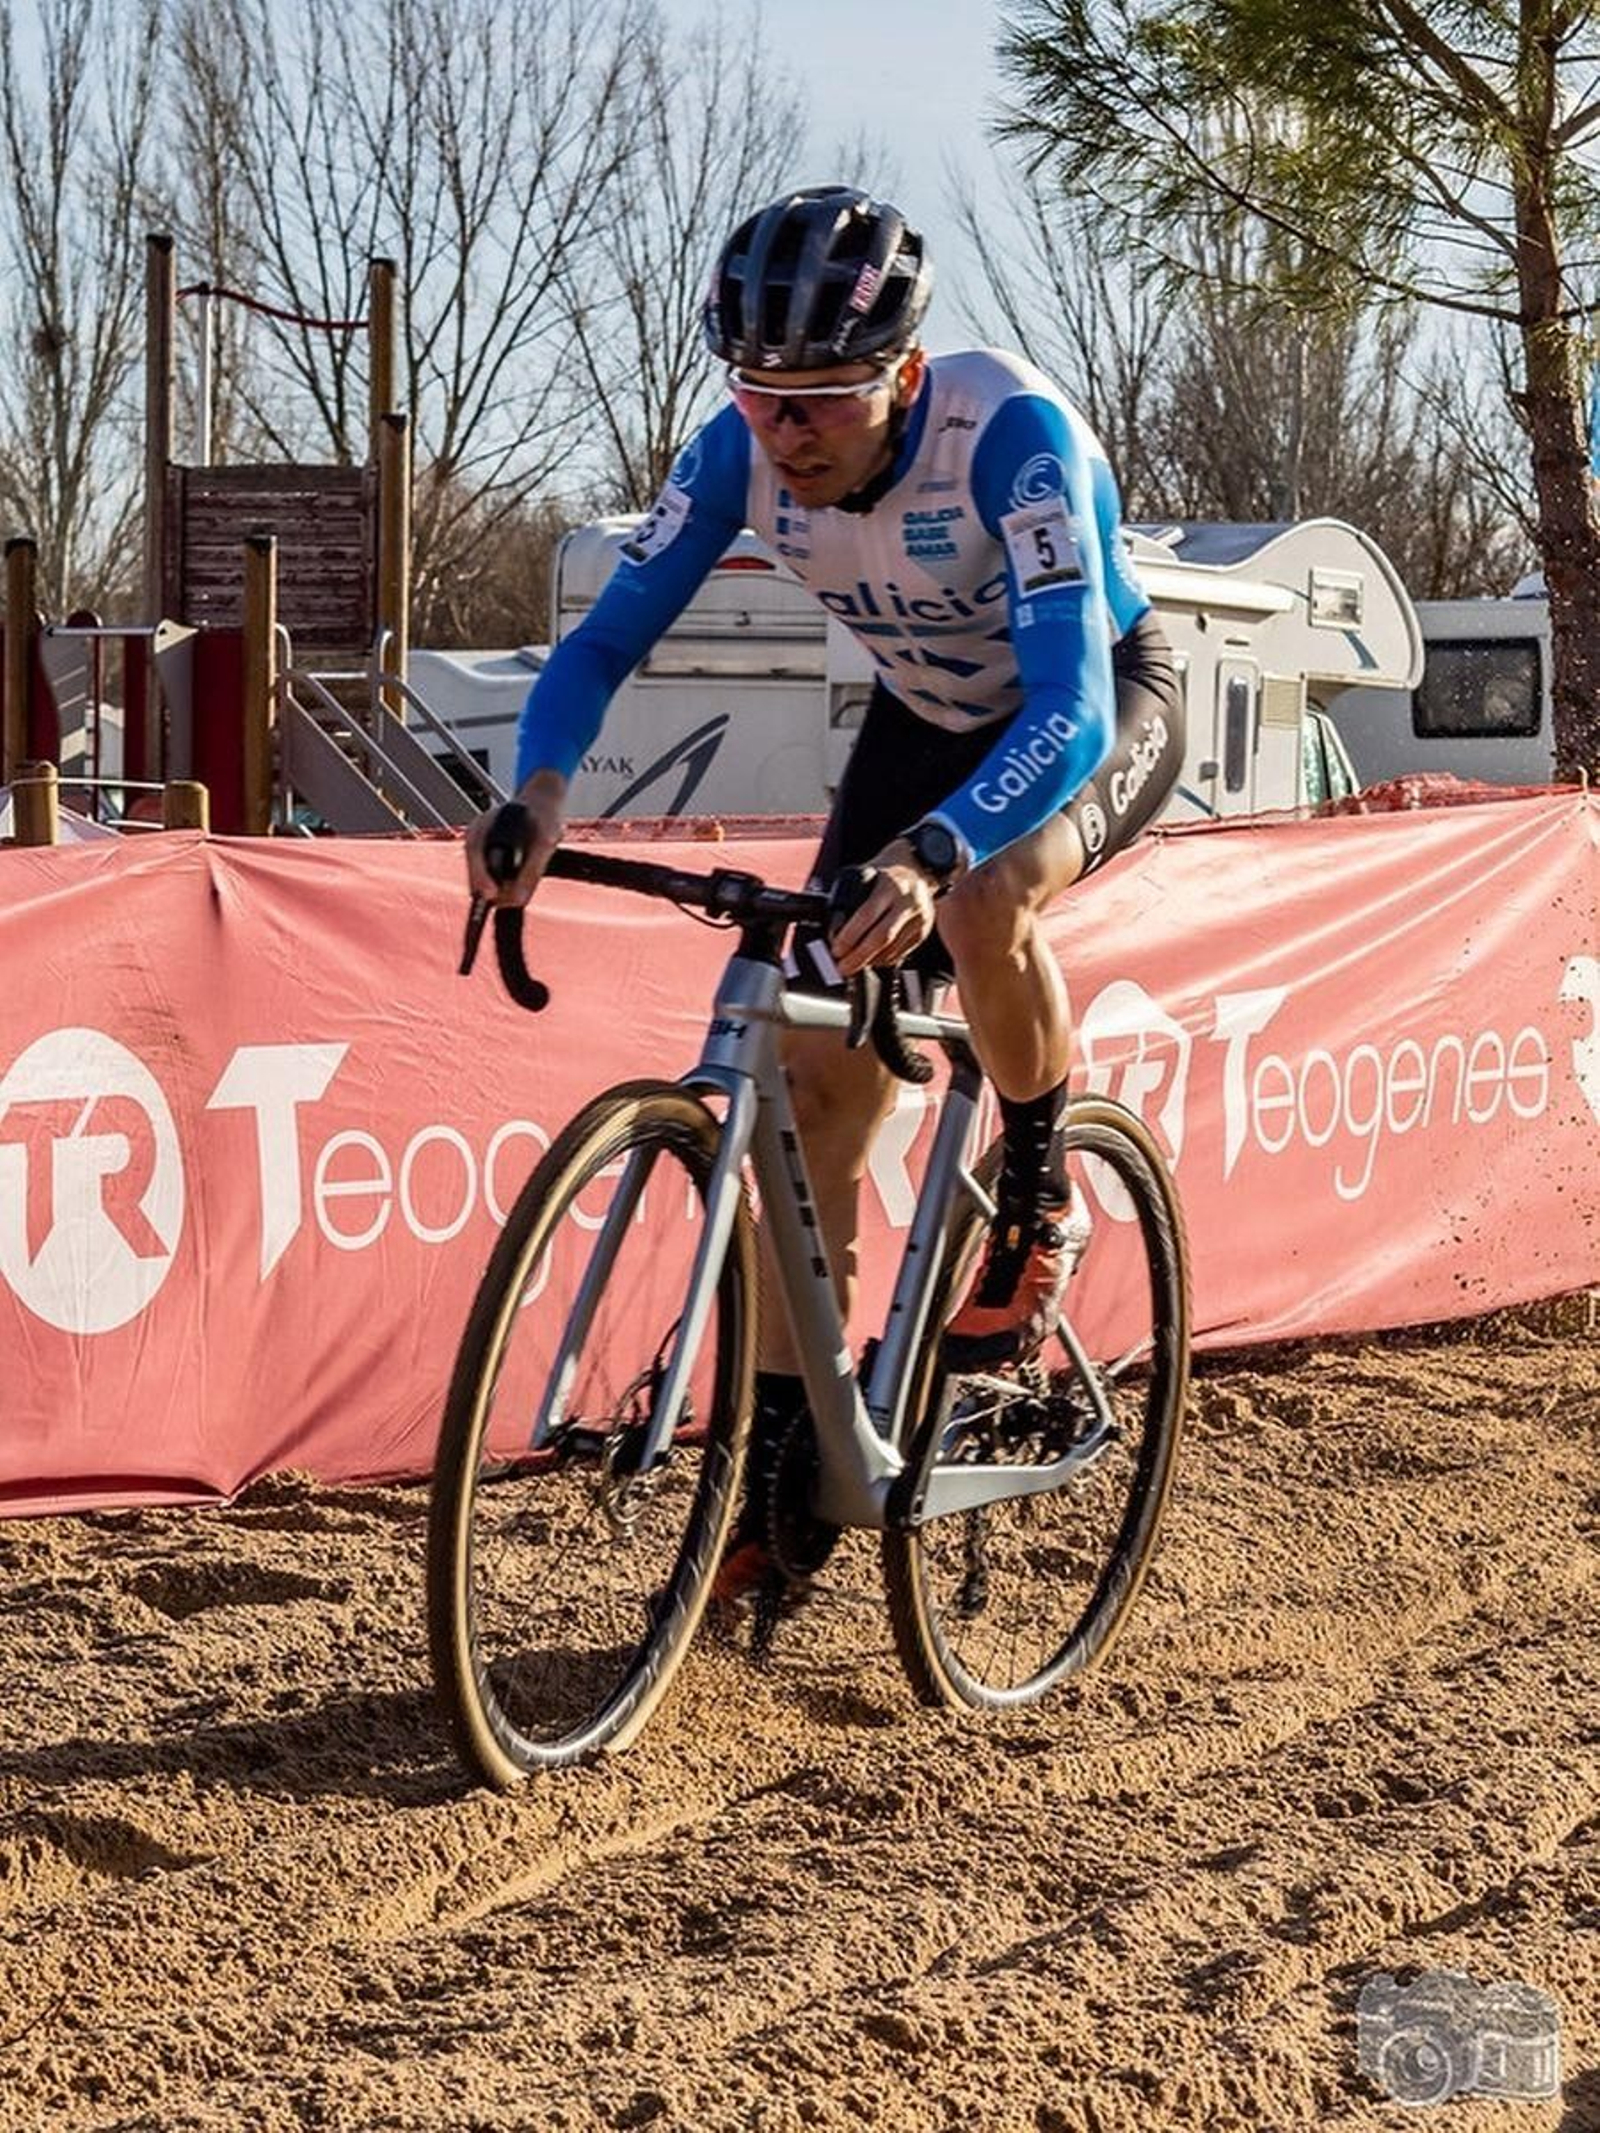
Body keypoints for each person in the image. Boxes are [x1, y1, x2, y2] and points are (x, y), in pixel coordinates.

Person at [466, 185, 1183, 1606]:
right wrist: (539, 790)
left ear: (906, 373)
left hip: (1089, 706)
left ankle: (1036, 1179)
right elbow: (604, 640)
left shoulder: (1013, 438)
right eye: (760, 396)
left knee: (980, 903)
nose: (785, 434)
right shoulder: (730, 456)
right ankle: (793, 1450)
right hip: (920, 722)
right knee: (809, 1080)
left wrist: (932, 853)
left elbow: (1072, 708)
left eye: (825, 401)